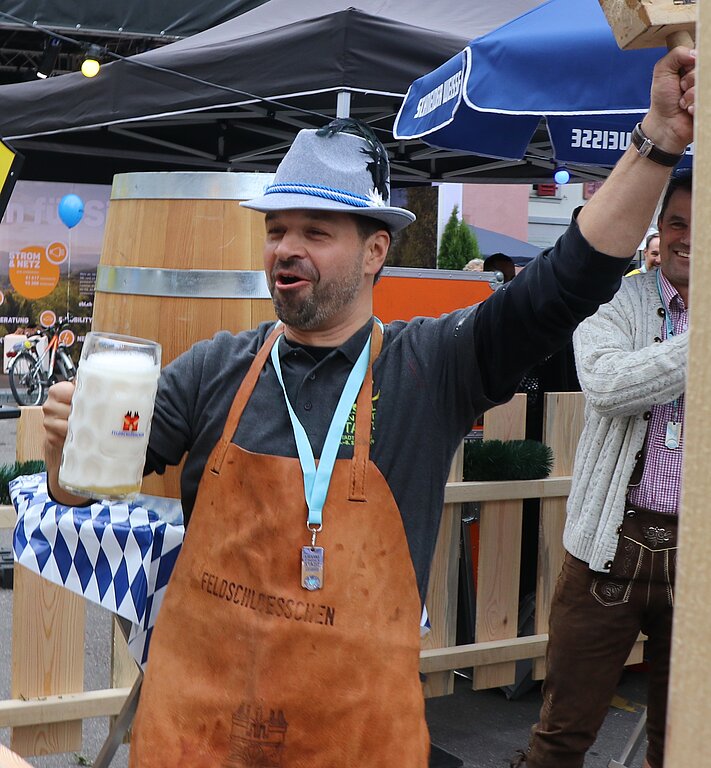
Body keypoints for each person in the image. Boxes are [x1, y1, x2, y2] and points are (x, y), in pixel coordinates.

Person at [42, 46, 695, 768]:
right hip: (196, 737)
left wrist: (656, 141)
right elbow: (79, 489)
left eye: (315, 232)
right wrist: (61, 450)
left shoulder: (431, 366)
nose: (286, 248)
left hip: (354, 744)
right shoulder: (213, 368)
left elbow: (568, 279)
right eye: (276, 230)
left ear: (375, 250)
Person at [511, 173, 692, 768]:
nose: (688, 238)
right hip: (607, 550)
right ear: (659, 233)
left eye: (701, 225)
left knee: (684, 746)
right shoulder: (614, 299)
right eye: (677, 223)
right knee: (561, 737)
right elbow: (610, 387)